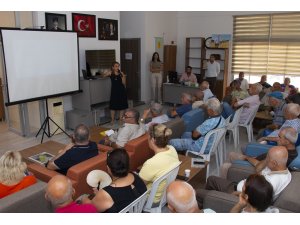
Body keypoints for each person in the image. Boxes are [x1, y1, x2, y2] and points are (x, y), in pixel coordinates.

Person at [202, 146, 291, 202]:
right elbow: (259, 169)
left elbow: (252, 199)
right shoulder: (283, 171)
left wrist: (234, 194)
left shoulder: (271, 183)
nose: (265, 160)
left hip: (239, 194)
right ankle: (210, 199)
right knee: (211, 179)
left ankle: (209, 200)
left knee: (202, 191)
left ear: (274, 163)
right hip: (244, 186)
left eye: (267, 158)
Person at [82, 148, 147, 212]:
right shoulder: (135, 176)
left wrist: (84, 199)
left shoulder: (106, 193)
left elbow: (91, 209)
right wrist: (100, 196)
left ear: (108, 168)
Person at [139, 124, 180, 205]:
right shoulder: (172, 149)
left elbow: (140, 185)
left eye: (148, 137)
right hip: (165, 194)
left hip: (151, 200)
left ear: (153, 140)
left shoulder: (151, 163)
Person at [103, 61, 128, 125]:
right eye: (116, 66)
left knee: (122, 106)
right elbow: (103, 76)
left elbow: (124, 83)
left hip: (121, 91)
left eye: (118, 66)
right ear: (113, 67)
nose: (117, 67)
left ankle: (120, 119)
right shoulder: (111, 73)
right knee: (113, 107)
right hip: (114, 91)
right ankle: (112, 120)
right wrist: (106, 72)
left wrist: (123, 76)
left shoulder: (121, 73)